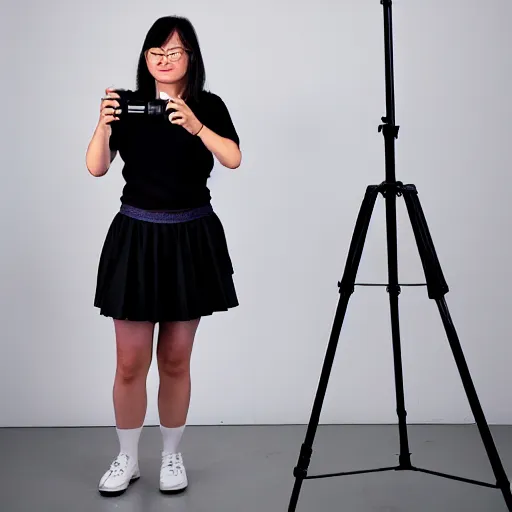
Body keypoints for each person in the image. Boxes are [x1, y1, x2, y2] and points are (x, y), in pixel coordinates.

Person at [85, 15, 241, 497]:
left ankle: (171, 455)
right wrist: (103, 122)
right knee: (130, 362)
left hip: (190, 238)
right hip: (136, 235)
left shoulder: (208, 105)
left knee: (176, 359)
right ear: (145, 58)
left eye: (175, 50)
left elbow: (232, 158)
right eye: (157, 50)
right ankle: (127, 458)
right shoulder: (128, 106)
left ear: (190, 57)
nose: (165, 58)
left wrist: (195, 125)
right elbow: (96, 167)